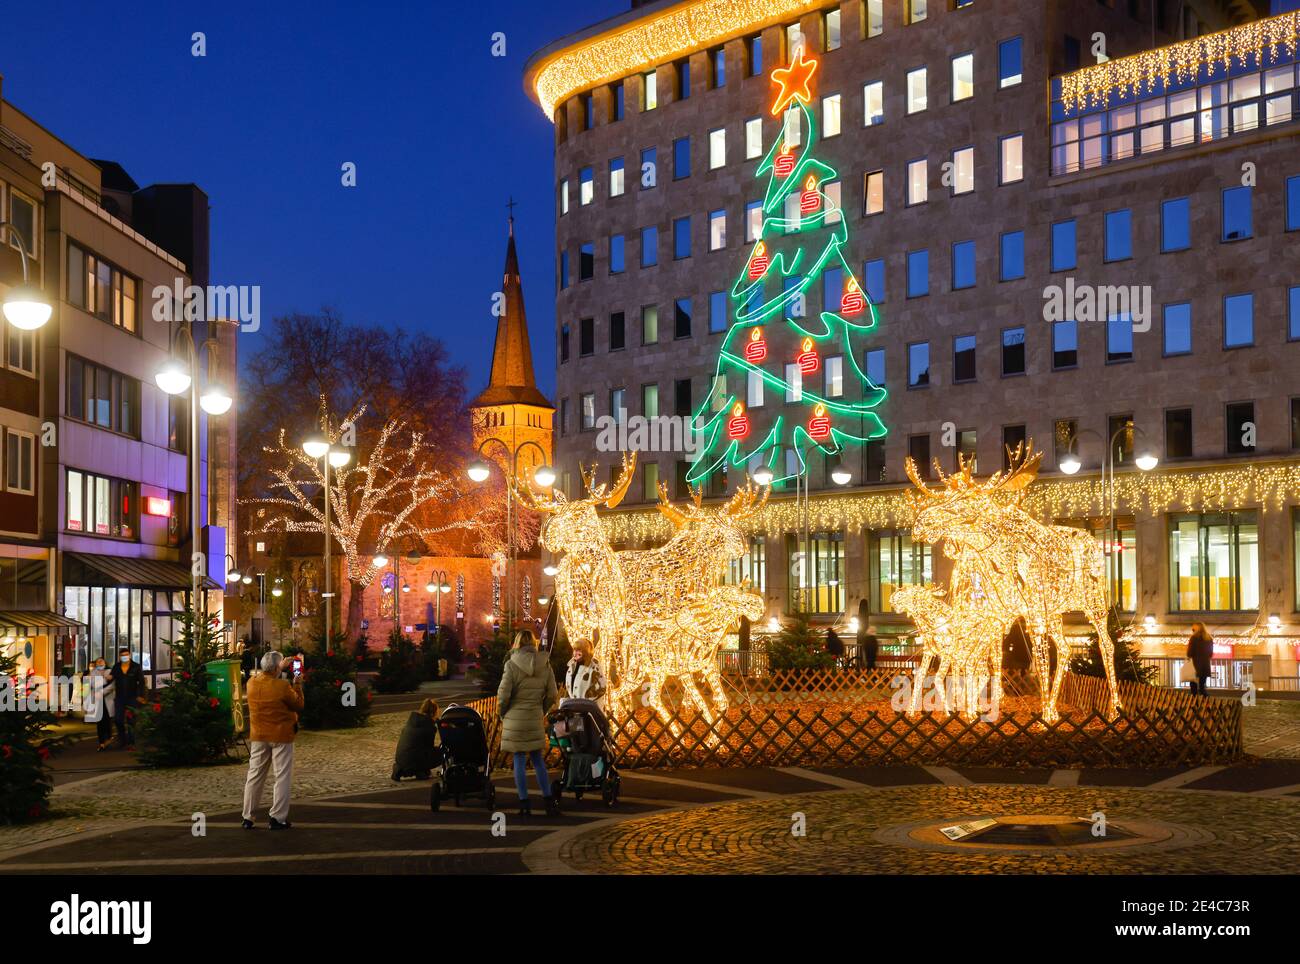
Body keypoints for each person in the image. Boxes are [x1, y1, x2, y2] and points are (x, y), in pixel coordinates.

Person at [497, 629, 559, 817]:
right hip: (533, 715)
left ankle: (524, 802)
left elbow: (503, 694)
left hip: (515, 717)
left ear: (517, 643)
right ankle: (548, 799)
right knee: (538, 759)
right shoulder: (545, 664)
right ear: (534, 643)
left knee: (519, 759)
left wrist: (502, 712)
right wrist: (543, 709)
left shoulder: (511, 664)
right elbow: (552, 694)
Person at [241, 651, 305, 830]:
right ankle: (277, 817)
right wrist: (297, 684)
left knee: (254, 776)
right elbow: (298, 705)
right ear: (277, 667)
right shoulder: (283, 686)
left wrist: (279, 667)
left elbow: (268, 676)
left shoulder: (252, 683)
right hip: (281, 735)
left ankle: (248, 816)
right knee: (282, 776)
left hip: (259, 736)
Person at [392, 698, 442, 781]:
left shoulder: (412, 721)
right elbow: (428, 748)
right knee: (440, 752)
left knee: (416, 752)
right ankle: (420, 770)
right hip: (415, 759)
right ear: (433, 712)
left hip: (400, 759)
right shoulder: (429, 726)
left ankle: (401, 769)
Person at [108, 647, 145, 749]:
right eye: (122, 655)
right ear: (120, 657)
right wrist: (108, 678)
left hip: (132, 697)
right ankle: (122, 739)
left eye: (126, 655)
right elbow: (111, 678)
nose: (125, 657)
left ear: (130, 655)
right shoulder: (116, 667)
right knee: (118, 720)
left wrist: (140, 695)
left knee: (131, 720)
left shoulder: (136, 667)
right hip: (119, 697)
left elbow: (141, 682)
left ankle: (131, 742)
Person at [562, 638, 606, 705]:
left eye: (579, 649)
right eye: (574, 649)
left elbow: (601, 688)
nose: (575, 652)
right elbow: (569, 689)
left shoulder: (594, 666)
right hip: (573, 710)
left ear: (585, 651)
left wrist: (585, 700)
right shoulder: (571, 666)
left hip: (588, 710)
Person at [87, 657, 115, 751]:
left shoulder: (110, 671)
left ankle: (109, 738)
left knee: (107, 720)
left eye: (101, 661)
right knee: (100, 722)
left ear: (105, 662)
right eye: (97, 662)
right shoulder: (93, 673)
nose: (99, 663)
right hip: (98, 700)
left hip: (107, 698)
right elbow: (92, 684)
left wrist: (102, 692)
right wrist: (104, 680)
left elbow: (112, 685)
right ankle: (101, 742)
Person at [1187, 622, 1214, 696]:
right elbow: (1210, 653)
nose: (1192, 630)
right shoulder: (1209, 638)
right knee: (1202, 686)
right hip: (1205, 666)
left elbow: (1189, 653)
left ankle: (1194, 703)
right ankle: (1205, 702)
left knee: (1193, 686)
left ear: (1197, 628)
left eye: (1193, 628)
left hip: (1195, 665)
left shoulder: (1194, 638)